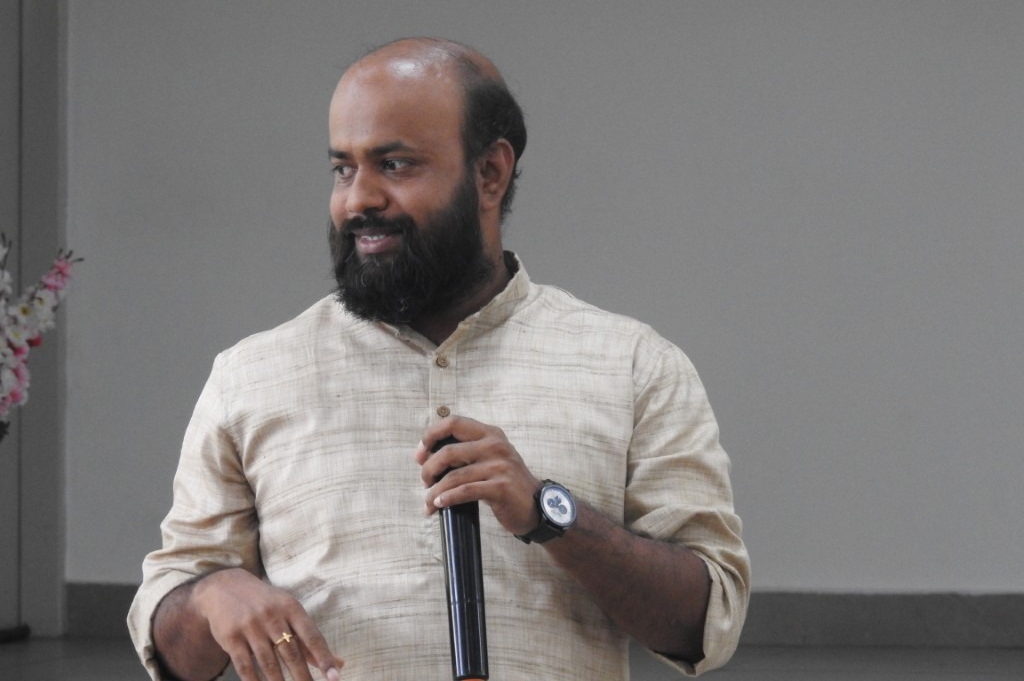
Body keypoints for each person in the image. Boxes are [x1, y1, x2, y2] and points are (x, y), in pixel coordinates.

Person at [128, 37, 750, 681]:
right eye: (343, 169)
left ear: (490, 174)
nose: (358, 199)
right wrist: (210, 595)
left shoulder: (633, 367)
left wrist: (548, 514)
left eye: (394, 164)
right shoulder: (251, 377)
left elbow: (707, 623)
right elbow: (173, 652)